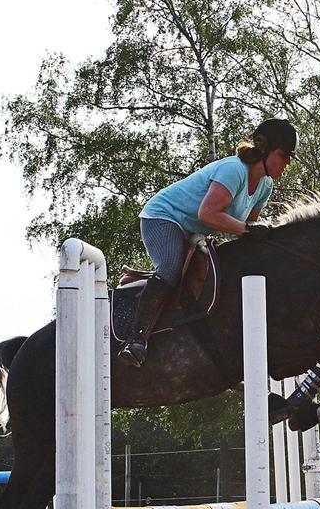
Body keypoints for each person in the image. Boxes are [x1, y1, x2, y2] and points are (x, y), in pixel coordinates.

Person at [118, 118, 298, 368]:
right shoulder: (233, 170)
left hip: (194, 230)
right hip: (163, 217)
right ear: (265, 148)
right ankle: (136, 340)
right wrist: (248, 229)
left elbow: (246, 232)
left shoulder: (265, 185)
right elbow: (209, 215)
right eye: (284, 155)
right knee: (171, 268)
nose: (288, 162)